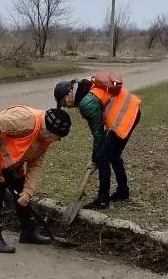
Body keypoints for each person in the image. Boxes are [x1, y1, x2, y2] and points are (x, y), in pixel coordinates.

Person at [0, 104, 71, 253]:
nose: (55, 141)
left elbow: (35, 166)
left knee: (21, 188)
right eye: (56, 137)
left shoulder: (45, 140)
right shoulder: (26, 121)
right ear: (48, 130)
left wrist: (28, 191)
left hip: (9, 159)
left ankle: (28, 231)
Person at [54, 76, 141, 209]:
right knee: (113, 154)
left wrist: (95, 157)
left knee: (103, 157)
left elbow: (98, 133)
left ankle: (102, 200)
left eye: (64, 102)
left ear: (70, 92)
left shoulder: (86, 102)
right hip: (131, 109)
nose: (65, 106)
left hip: (125, 115)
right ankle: (123, 191)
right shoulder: (85, 89)